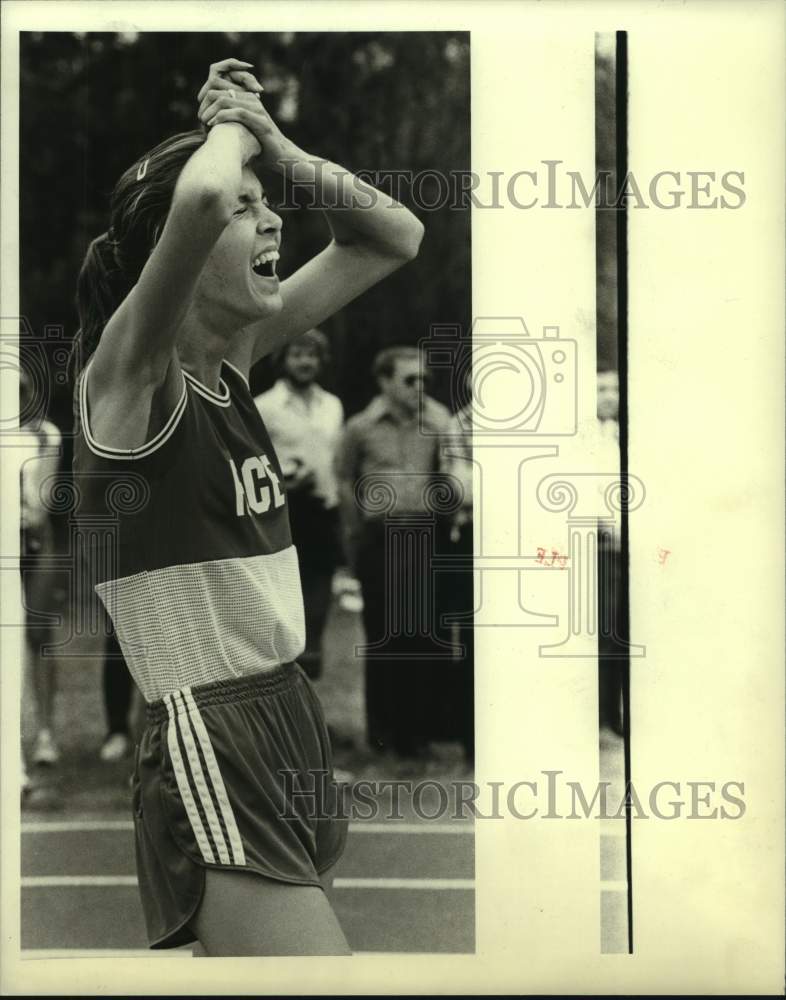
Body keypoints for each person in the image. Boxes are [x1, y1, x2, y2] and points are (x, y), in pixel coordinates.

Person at [70, 58, 423, 956]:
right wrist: (228, 119)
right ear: (174, 255)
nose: (273, 218)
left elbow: (393, 238)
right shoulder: (130, 381)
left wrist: (274, 144)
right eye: (250, 205)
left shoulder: (232, 362)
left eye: (271, 202)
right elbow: (195, 202)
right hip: (209, 728)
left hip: (284, 705)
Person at [335, 346, 450, 759]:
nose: (419, 388)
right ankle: (381, 733)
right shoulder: (360, 427)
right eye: (408, 380)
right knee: (383, 634)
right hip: (380, 538)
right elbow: (345, 480)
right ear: (384, 382)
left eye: (424, 380)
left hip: (423, 536)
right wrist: (355, 531)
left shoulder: (439, 423)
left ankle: (417, 734)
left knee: (420, 635)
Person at [254, 329, 344, 682]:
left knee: (317, 609)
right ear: (283, 359)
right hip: (283, 514)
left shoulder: (332, 405)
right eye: (297, 354)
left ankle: (311, 706)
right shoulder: (265, 406)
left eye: (312, 355)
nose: (305, 362)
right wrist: (285, 478)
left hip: (322, 513)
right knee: (281, 609)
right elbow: (255, 461)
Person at [19, 367, 63, 771]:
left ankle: (46, 732)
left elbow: (41, 503)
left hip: (34, 543)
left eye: (21, 390)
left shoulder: (45, 433)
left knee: (40, 633)